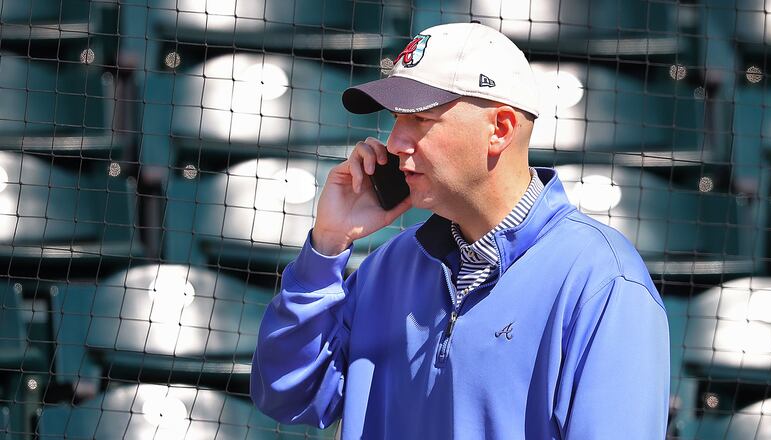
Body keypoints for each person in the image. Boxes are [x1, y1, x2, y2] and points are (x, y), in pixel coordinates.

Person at [251, 22, 670, 439]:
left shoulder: (603, 282)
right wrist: (327, 246)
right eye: (396, 119)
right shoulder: (387, 268)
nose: (395, 143)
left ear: (500, 129)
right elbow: (287, 394)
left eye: (420, 120)